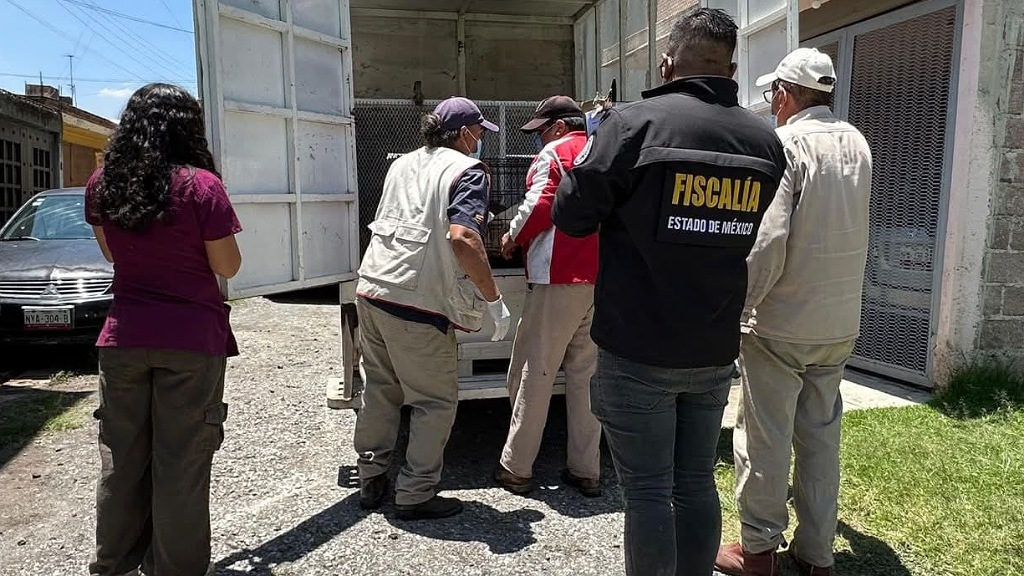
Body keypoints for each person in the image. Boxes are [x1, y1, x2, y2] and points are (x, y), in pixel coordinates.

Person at [552, 8, 786, 576]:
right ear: (731, 69)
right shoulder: (764, 140)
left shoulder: (633, 125)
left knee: (649, 490)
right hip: (712, 342)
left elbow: (571, 215)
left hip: (638, 345)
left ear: (666, 64)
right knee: (696, 481)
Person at [715, 48, 873, 576]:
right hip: (839, 321)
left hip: (781, 322)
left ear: (784, 93)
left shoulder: (786, 145)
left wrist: (741, 307)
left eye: (772, 94)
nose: (771, 103)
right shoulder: (858, 142)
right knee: (821, 438)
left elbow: (768, 242)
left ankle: (758, 551)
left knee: (765, 438)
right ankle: (816, 554)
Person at [84, 83, 243, 576]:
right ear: (187, 127)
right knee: (181, 465)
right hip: (191, 340)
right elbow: (228, 266)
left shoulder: (103, 183)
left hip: (124, 337)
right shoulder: (201, 186)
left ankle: (112, 565)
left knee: (122, 461)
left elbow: (111, 254)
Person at [354, 97, 512, 521]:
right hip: (417, 300)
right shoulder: (467, 170)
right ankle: (415, 493)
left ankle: (371, 475)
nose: (479, 140)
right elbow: (463, 238)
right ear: (464, 134)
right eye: (479, 132)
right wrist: (493, 299)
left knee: (381, 389)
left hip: (373, 286)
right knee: (434, 401)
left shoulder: (400, 164)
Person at [493, 96, 602, 497]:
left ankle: (516, 467)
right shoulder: (603, 150)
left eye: (540, 131)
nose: (538, 139)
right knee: (586, 377)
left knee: (535, 372)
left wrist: (512, 236)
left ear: (558, 127)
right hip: (601, 277)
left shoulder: (554, 153)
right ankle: (586, 470)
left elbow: (540, 203)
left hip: (558, 275)